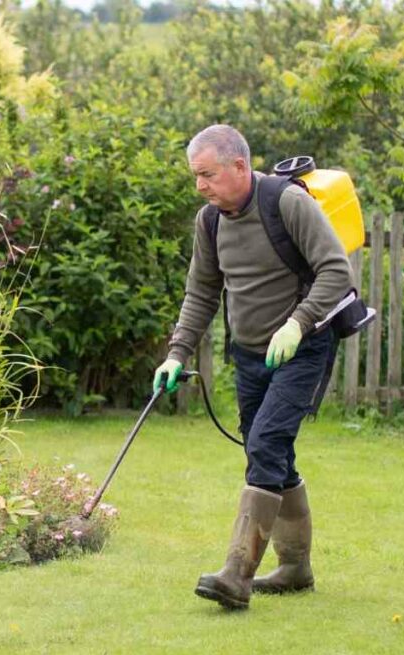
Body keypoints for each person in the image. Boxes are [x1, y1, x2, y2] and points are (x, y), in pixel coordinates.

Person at [153, 124, 353, 610]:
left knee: (265, 443)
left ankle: (237, 575)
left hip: (301, 349)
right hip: (249, 356)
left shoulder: (287, 203)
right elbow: (201, 291)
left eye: (207, 174)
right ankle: (295, 568)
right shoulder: (210, 221)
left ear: (239, 166)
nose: (200, 185)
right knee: (268, 453)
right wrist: (177, 352)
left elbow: (336, 270)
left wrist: (299, 323)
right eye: (195, 176)